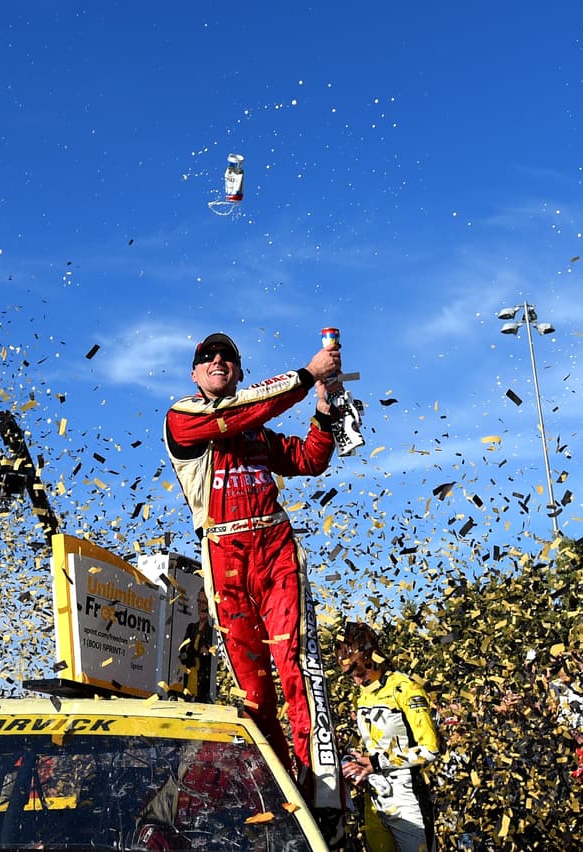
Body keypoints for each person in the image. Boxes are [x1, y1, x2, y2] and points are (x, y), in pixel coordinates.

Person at [164, 332, 346, 824]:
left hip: (275, 548)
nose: (217, 360)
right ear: (195, 374)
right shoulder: (183, 416)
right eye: (207, 357)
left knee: (298, 666)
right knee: (254, 691)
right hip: (223, 555)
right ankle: (279, 799)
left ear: (239, 371)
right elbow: (238, 412)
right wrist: (307, 375)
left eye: (227, 356)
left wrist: (324, 412)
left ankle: (323, 797)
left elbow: (310, 460)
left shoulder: (258, 434)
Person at [336, 622, 441, 852]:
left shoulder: (405, 688)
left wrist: (376, 762)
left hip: (407, 799)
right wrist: (354, 761)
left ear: (374, 659)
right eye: (351, 676)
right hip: (374, 796)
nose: (357, 681)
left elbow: (430, 749)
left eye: (360, 673)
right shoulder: (362, 694)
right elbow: (371, 744)